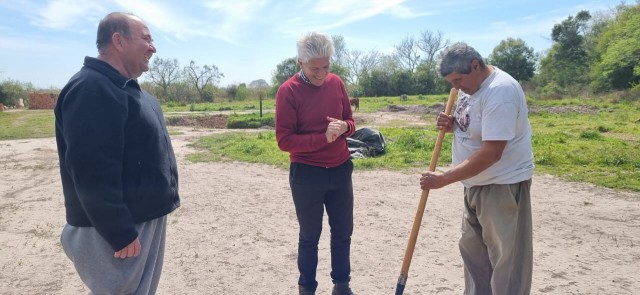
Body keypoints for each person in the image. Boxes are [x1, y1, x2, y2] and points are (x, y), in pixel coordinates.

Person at [54, 12, 180, 294]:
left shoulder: (124, 88)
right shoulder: (92, 89)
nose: (153, 47)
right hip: (115, 229)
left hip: (140, 219)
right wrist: (118, 231)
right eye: (146, 38)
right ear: (118, 40)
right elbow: (90, 170)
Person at [419, 42, 534, 295]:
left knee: (507, 264)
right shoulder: (470, 88)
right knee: (475, 258)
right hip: (474, 185)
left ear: (475, 65)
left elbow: (492, 152)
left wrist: (443, 178)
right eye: (452, 82)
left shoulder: (500, 92)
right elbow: (476, 128)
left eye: (459, 80)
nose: (456, 87)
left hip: (501, 186)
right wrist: (454, 125)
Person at [275, 32, 357, 295]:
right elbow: (285, 140)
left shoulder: (337, 83)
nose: (321, 74)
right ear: (300, 62)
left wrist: (345, 127)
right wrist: (322, 138)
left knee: (343, 231)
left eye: (326, 66)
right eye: (314, 69)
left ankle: (341, 285)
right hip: (307, 174)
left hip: (341, 168)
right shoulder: (288, 91)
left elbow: (351, 123)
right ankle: (306, 287)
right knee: (310, 235)